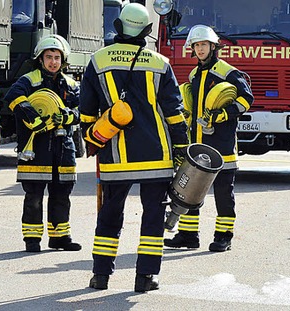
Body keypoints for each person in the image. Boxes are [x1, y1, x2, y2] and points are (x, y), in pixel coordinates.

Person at [79, 3, 189, 292]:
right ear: (147, 31)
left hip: (115, 156)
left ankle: (100, 275)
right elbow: (174, 113)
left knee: (109, 215)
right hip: (157, 157)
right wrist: (181, 149)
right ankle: (146, 277)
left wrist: (93, 139)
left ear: (118, 27)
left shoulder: (98, 61)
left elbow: (87, 112)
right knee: (153, 216)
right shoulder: (160, 63)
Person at [164, 25, 253, 252]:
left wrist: (225, 114)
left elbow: (246, 98)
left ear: (213, 47)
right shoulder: (194, 75)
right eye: (197, 46)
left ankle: (224, 236)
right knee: (190, 191)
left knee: (223, 193)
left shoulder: (228, 72)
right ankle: (188, 236)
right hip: (198, 144)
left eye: (204, 45)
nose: (200, 49)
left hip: (222, 146)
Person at [2, 34, 81, 252]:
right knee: (34, 195)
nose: (53, 62)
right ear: (40, 59)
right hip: (35, 146)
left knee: (62, 194)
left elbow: (82, 110)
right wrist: (30, 116)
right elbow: (12, 98)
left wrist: (69, 117)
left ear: (63, 60)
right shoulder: (29, 80)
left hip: (63, 147)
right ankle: (32, 239)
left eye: (57, 57)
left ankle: (59, 237)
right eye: (49, 57)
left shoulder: (71, 84)